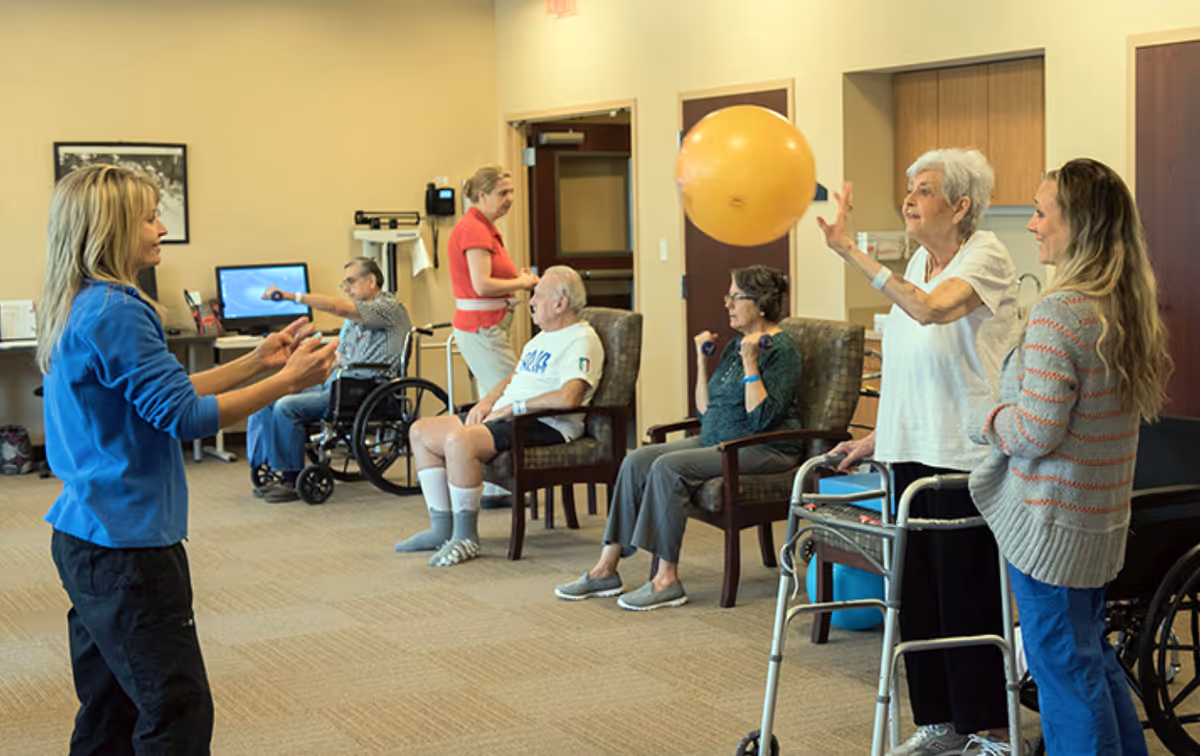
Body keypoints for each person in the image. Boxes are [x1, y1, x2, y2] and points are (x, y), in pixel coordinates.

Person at [38, 164, 338, 754]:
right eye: (150, 216)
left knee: (112, 709)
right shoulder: (120, 311)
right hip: (127, 550)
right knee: (177, 711)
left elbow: (169, 393)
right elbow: (185, 419)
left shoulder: (85, 304)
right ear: (113, 227)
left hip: (88, 536)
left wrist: (259, 363)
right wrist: (290, 382)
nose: (162, 227)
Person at [817, 149, 1020, 755]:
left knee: (966, 598)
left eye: (924, 190)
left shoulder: (985, 255)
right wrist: (879, 437)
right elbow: (915, 372)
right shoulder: (917, 262)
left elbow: (931, 312)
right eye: (909, 188)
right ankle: (940, 721)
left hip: (962, 454)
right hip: (910, 450)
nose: (909, 199)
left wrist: (851, 250)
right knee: (919, 599)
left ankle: (995, 730)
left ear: (959, 206)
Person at [967, 159, 1169, 756]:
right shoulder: (1123, 307)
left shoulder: (1061, 313)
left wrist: (984, 418)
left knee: (1064, 676)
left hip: (1052, 528)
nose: (1030, 224)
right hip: (1096, 524)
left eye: (1039, 211)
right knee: (1091, 661)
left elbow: (1035, 431)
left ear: (1075, 224)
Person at [555, 265, 802, 611]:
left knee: (668, 468)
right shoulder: (734, 346)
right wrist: (702, 363)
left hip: (764, 448)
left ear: (760, 303)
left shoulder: (782, 350)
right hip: (720, 439)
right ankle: (605, 568)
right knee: (637, 459)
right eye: (727, 296)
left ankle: (666, 579)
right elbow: (705, 412)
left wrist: (751, 363)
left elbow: (760, 418)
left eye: (735, 296)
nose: (727, 304)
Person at [395, 265, 603, 566]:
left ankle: (466, 538)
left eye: (537, 295)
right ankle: (441, 529)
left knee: (459, 441)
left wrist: (513, 408)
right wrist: (488, 401)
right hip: (510, 416)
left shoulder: (581, 339)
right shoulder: (541, 338)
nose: (530, 302)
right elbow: (513, 378)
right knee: (421, 431)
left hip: (544, 423)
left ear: (560, 303)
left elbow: (569, 397)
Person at [250, 257, 410, 501]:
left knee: (286, 407)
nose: (346, 288)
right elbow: (337, 357)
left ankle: (291, 478)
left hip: (368, 391)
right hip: (340, 384)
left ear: (372, 281)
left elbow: (337, 307)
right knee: (267, 395)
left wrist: (292, 296)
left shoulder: (388, 309)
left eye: (351, 281)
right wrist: (299, 367)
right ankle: (271, 465)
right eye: (344, 283)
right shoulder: (353, 319)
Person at [449, 166, 539, 508]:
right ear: (481, 195)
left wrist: (511, 290)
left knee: (497, 395)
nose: (510, 200)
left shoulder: (484, 228)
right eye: (503, 193)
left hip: (488, 322)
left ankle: (495, 483)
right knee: (507, 395)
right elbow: (481, 284)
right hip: (482, 327)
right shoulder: (473, 229)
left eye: (511, 192)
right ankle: (496, 484)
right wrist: (523, 284)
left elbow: (486, 286)